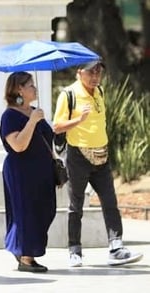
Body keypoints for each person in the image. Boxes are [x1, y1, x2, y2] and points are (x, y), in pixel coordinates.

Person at [53, 61, 143, 267]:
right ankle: (74, 250)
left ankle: (116, 248)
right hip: (78, 156)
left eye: (98, 72)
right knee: (76, 206)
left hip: (102, 155)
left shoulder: (99, 91)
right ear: (79, 73)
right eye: (90, 72)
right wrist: (79, 119)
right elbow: (57, 127)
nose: (95, 76)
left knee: (110, 202)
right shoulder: (68, 95)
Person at [0, 72, 56, 273]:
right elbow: (18, 145)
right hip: (21, 172)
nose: (35, 88)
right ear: (19, 89)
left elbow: (49, 137)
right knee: (26, 213)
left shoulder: (34, 111)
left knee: (46, 210)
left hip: (42, 171)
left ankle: (24, 250)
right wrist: (32, 121)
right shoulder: (10, 115)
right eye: (30, 85)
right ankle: (25, 256)